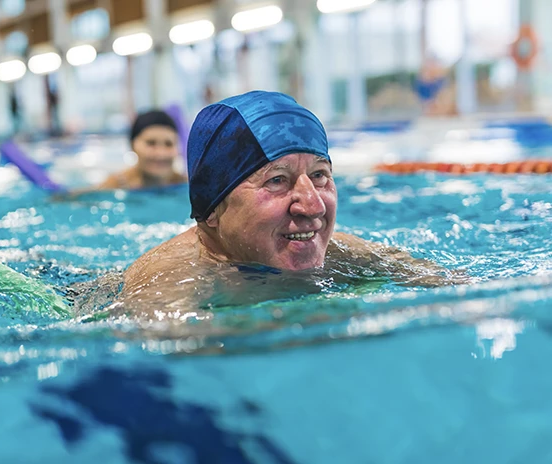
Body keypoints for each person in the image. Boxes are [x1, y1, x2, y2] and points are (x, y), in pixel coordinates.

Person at [103, 91, 468, 316]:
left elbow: (461, 290)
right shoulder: (168, 284)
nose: (313, 206)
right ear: (211, 210)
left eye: (321, 175)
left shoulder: (344, 253)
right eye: (277, 180)